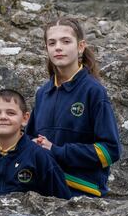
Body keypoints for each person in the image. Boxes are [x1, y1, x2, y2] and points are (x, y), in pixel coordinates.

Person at [27, 18, 122, 198]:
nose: (58, 47)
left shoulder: (93, 91)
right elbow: (29, 139)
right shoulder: (42, 93)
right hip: (44, 191)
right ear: (46, 49)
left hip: (81, 194)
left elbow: (109, 151)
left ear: (80, 47)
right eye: (52, 43)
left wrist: (56, 150)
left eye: (66, 41)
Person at [0, 89, 70, 199]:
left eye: (11, 113)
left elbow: (62, 201)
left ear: (25, 118)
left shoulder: (40, 157)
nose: (3, 117)